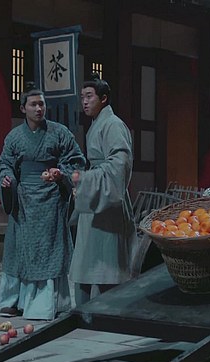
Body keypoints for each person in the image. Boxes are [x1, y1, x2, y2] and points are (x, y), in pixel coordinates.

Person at [0, 84, 86, 320]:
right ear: (23, 108)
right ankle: (14, 300)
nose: (39, 109)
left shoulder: (59, 132)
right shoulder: (14, 137)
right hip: (23, 201)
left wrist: (61, 173)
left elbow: (76, 160)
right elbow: (5, 164)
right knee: (19, 249)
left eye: (42, 104)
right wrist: (7, 179)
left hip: (51, 199)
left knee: (48, 250)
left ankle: (48, 304)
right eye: (33, 104)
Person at [69, 73, 136, 306]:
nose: (85, 102)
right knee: (86, 261)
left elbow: (120, 164)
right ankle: (85, 312)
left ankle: (107, 311)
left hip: (108, 202)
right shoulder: (98, 124)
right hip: (94, 198)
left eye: (89, 96)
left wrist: (87, 180)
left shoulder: (113, 125)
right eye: (82, 97)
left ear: (104, 98)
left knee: (107, 263)